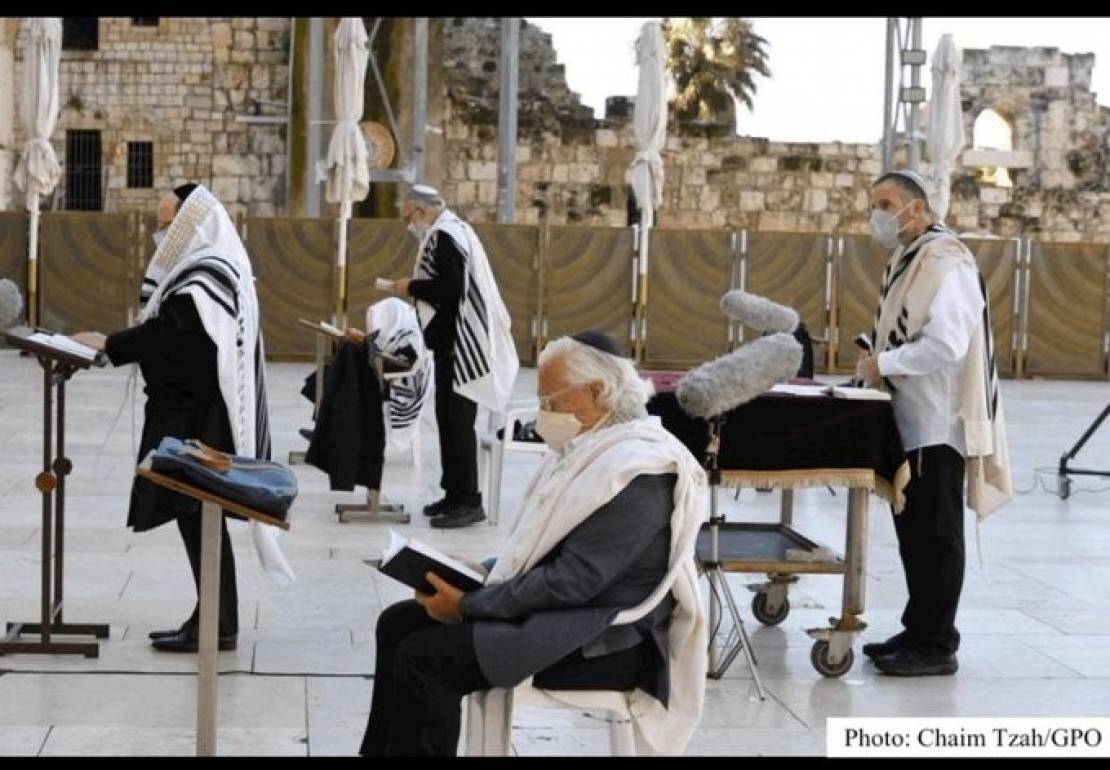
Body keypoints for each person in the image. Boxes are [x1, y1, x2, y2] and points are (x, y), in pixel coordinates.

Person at [359, 331, 707, 756]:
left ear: (597, 392)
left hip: (604, 639)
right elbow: (547, 552)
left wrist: (468, 605)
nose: (544, 414)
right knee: (398, 623)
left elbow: (571, 583)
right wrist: (482, 572)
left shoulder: (640, 471)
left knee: (426, 657)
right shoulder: (594, 451)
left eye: (550, 400)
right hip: (566, 617)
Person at [72, 183, 293, 652]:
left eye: (166, 223)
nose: (159, 233)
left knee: (198, 517)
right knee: (197, 520)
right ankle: (214, 617)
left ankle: (217, 623)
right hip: (195, 412)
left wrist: (112, 345)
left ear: (192, 223)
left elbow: (172, 338)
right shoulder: (210, 271)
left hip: (199, 418)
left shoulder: (208, 275)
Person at [855, 170, 1012, 677]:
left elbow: (946, 344)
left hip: (937, 423)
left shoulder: (946, 259)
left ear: (917, 209)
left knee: (937, 536)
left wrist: (886, 364)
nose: (877, 212)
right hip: (912, 419)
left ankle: (937, 644)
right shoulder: (911, 258)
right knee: (914, 533)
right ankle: (918, 629)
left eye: (886, 202)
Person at [378, 185, 518, 529]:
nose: (409, 225)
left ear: (422, 211)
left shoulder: (444, 236)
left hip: (460, 345)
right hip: (451, 343)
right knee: (449, 421)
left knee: (457, 423)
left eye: (409, 216)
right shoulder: (454, 230)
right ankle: (454, 494)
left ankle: (469, 501)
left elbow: (451, 289)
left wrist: (407, 286)